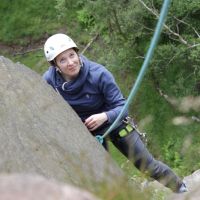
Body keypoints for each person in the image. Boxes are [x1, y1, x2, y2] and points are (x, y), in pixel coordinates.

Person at [42, 33, 187, 193]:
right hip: (88, 132)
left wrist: (104, 116)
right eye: (62, 60)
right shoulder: (50, 81)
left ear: (77, 53)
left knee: (147, 166)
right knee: (102, 175)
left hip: (115, 123)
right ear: (55, 65)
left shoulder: (99, 74)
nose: (70, 62)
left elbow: (123, 107)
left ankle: (181, 189)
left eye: (72, 55)